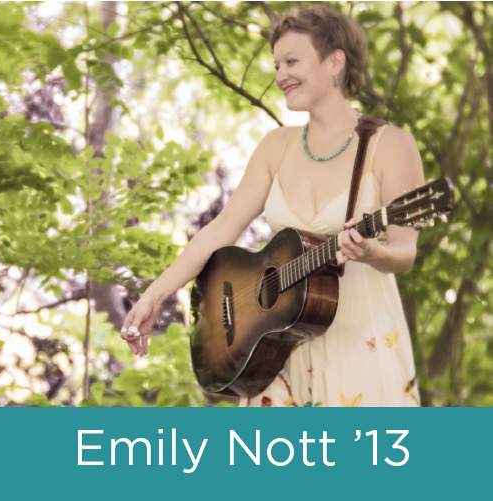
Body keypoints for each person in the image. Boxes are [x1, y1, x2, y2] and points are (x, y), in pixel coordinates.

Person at [120, 6, 425, 407]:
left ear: (335, 62)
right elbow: (219, 231)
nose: (280, 76)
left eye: (292, 61)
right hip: (275, 351)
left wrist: (373, 251)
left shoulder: (390, 145)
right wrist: (154, 297)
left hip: (362, 344)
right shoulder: (275, 147)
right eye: (277, 64)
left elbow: (405, 252)